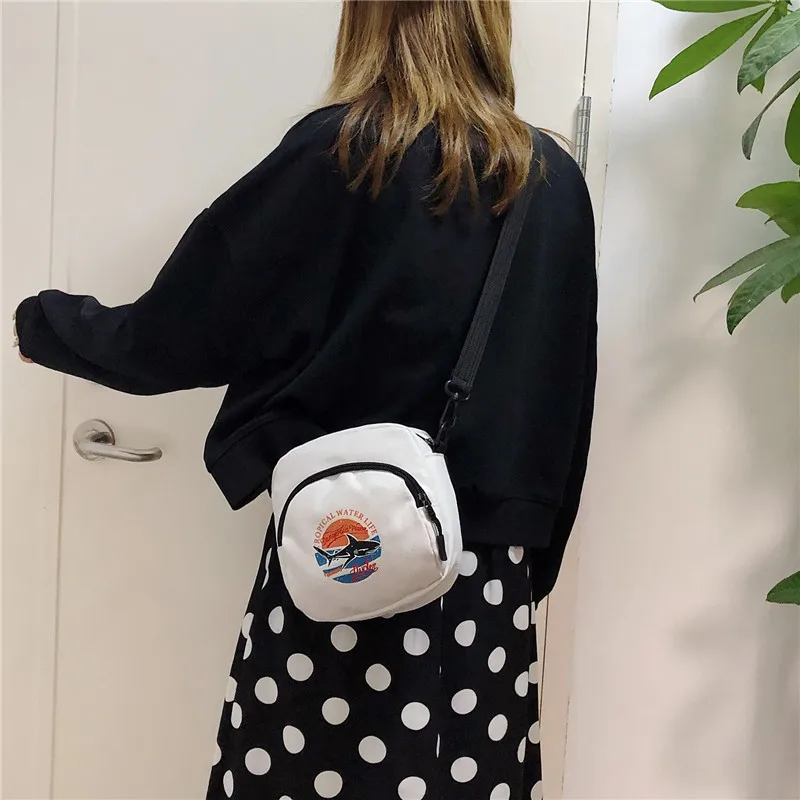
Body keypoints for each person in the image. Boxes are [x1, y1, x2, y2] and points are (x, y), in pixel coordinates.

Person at [14, 1, 596, 798]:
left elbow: (183, 327)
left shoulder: (347, 151)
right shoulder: (551, 180)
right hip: (490, 588)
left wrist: (45, 325)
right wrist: (524, 561)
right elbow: (568, 397)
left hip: (343, 553)